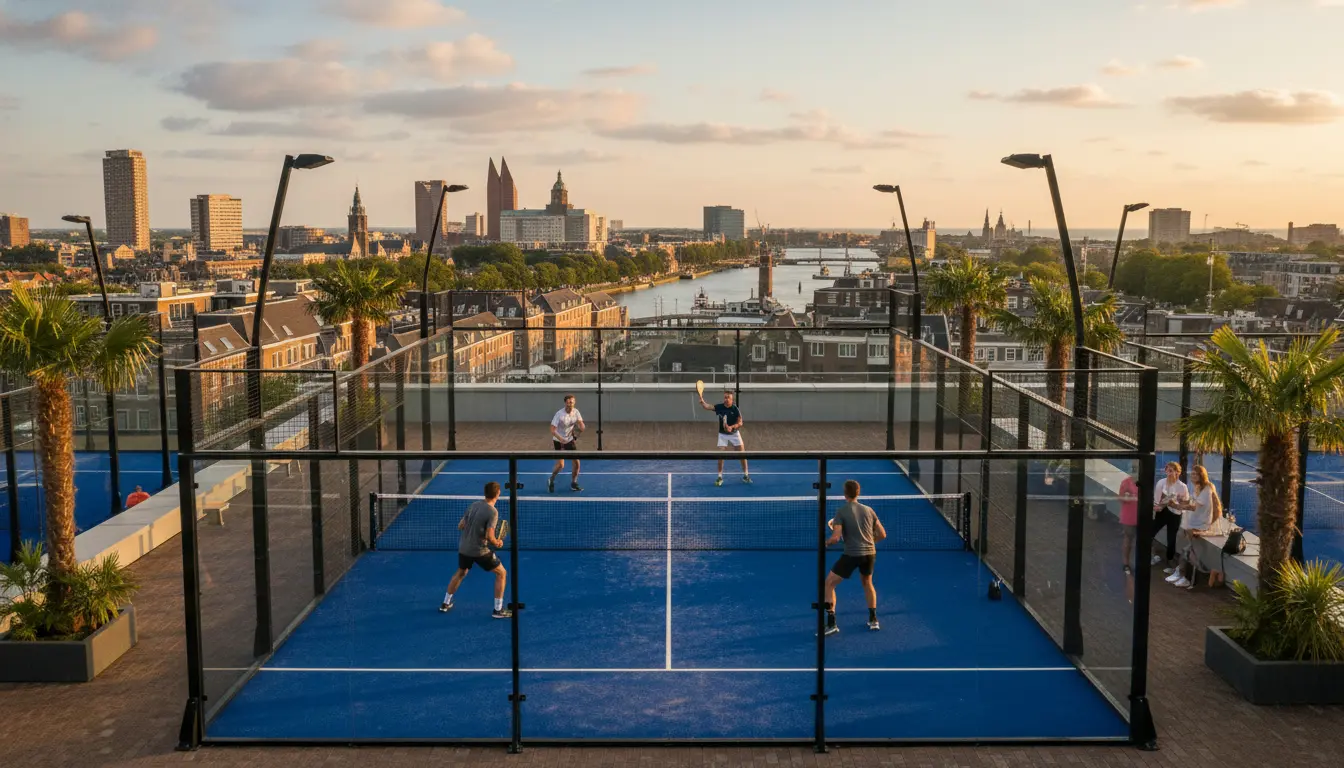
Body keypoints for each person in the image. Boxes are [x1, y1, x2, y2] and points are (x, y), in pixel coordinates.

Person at [822, 479, 887, 635]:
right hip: (870, 554)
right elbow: (882, 535)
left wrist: (826, 543)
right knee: (867, 583)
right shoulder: (869, 510)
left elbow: (836, 537)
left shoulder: (841, 511)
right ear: (858, 492)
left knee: (829, 584)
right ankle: (873, 620)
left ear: (845, 493)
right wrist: (870, 543)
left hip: (852, 554)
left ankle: (831, 624)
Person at [441, 482, 511, 618]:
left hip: (464, 548)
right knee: (502, 573)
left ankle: (445, 603)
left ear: (485, 493)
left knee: (461, 572)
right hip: (479, 551)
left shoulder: (473, 505)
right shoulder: (493, 512)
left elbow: (460, 525)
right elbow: (489, 536)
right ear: (498, 494)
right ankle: (498, 610)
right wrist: (497, 542)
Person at [1169, 465, 1224, 589]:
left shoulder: (1207, 489)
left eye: (1196, 474)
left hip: (1199, 526)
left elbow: (1194, 507)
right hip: (1192, 524)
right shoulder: (1197, 488)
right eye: (1192, 474)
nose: (1193, 476)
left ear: (1202, 475)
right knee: (1188, 551)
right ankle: (1186, 575)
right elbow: (1191, 502)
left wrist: (1178, 507)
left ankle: (1193, 579)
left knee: (1189, 552)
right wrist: (1179, 502)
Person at [698, 389, 750, 486]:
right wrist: (702, 402)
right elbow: (708, 406)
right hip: (722, 434)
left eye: (728, 398)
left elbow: (740, 422)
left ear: (732, 399)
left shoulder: (735, 409)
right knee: (721, 455)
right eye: (725, 397)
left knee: (743, 454)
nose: (726, 399)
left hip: (734, 434)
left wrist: (732, 427)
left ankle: (746, 475)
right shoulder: (720, 407)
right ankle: (719, 477)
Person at [1152, 462, 1188, 574]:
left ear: (1178, 472)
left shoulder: (1182, 486)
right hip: (1162, 512)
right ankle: (1150, 555)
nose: (1169, 473)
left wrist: (1176, 503)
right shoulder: (1161, 483)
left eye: (1172, 470)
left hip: (1175, 515)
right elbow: (1156, 500)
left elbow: (1185, 504)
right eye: (1167, 470)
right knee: (1150, 532)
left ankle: (1170, 560)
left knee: (1171, 538)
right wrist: (1157, 506)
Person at [548, 394, 585, 493]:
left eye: (572, 402)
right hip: (558, 440)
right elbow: (552, 429)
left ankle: (574, 483)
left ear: (574, 402)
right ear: (565, 403)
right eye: (568, 402)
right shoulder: (559, 414)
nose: (570, 404)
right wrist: (561, 438)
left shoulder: (576, 412)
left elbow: (580, 423)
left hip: (569, 440)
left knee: (577, 462)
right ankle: (551, 479)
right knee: (561, 465)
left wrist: (581, 426)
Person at [1118, 463, 1140, 575]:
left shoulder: (1145, 482)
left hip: (1142, 515)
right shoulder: (1126, 482)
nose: (1135, 470)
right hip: (1129, 515)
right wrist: (1129, 496)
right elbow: (1121, 498)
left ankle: (1139, 564)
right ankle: (1126, 564)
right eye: (1134, 468)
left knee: (1142, 542)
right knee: (1128, 539)